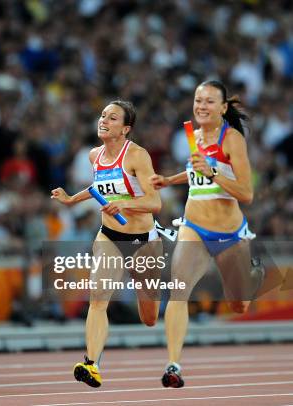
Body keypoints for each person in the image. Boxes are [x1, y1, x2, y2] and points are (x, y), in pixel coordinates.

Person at [151, 80, 258, 388]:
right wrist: (170, 180)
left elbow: (246, 193)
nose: (201, 106)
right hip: (194, 227)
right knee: (177, 291)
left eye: (210, 101)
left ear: (223, 108)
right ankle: (173, 364)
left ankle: (253, 277)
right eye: (198, 100)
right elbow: (197, 171)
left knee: (239, 305)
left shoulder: (232, 139)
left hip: (229, 234)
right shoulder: (193, 136)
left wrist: (212, 172)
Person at [51, 100, 162, 388]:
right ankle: (92, 363)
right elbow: (99, 186)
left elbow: (154, 201)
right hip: (110, 237)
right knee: (98, 300)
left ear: (125, 129)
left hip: (143, 241)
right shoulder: (94, 156)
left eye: (112, 118)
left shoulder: (137, 156)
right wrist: (72, 199)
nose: (104, 120)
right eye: (102, 115)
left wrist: (123, 203)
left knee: (149, 317)